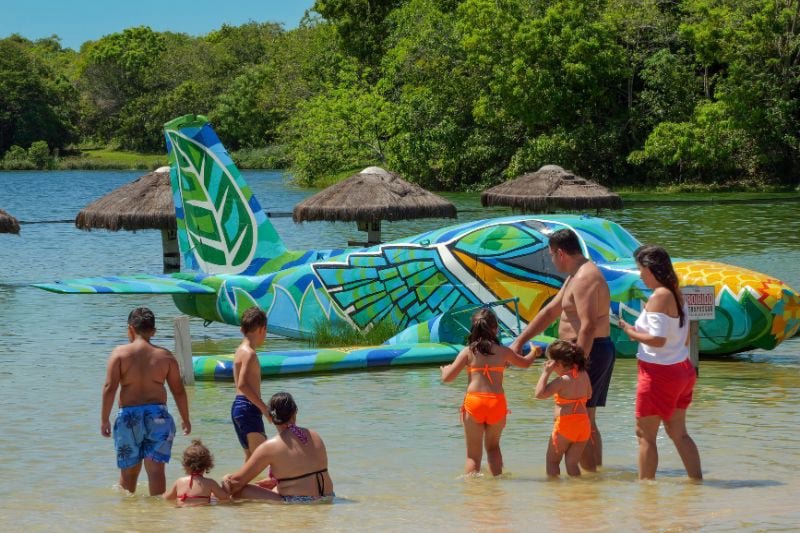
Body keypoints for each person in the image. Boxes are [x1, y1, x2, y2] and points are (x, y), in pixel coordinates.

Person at [510, 228, 614, 472]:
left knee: (582, 416)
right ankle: (593, 477)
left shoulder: (585, 277)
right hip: (578, 352)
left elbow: (588, 325)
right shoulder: (574, 276)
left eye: (551, 255)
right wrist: (519, 341)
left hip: (588, 351)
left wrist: (578, 365)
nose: (552, 261)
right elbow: (550, 312)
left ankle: (591, 479)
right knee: (584, 416)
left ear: (560, 253)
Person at [619, 245, 702, 480]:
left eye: (641, 270)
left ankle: (646, 492)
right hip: (682, 370)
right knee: (679, 433)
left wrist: (630, 331)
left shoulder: (660, 295)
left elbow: (657, 339)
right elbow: (683, 337)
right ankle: (696, 483)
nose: (640, 276)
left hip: (658, 373)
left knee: (645, 436)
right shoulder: (676, 292)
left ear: (650, 268)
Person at [100, 307, 191, 495]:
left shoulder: (119, 354)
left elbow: (110, 388)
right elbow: (179, 391)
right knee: (156, 471)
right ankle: (157, 510)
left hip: (128, 417)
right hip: (158, 417)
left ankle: (127, 510)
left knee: (128, 472)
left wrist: (104, 419)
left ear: (130, 329)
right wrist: (185, 419)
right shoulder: (165, 356)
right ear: (153, 331)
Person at [440, 308, 540, 476]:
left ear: (473, 329)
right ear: (495, 329)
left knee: (473, 455)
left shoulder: (468, 352)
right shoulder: (503, 351)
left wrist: (444, 370)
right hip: (496, 403)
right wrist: (534, 352)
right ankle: (497, 486)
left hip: (475, 403)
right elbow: (526, 363)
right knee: (493, 448)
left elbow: (448, 378)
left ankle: (472, 488)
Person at [222, 392, 335, 503]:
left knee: (239, 491)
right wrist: (275, 481)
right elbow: (305, 470)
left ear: (270, 417)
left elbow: (236, 483)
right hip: (328, 496)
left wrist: (226, 479)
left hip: (298, 501)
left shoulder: (270, 447)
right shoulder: (314, 435)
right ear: (295, 412)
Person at [534, 340, 592, 477]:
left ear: (558, 364)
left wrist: (545, 373)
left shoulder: (562, 380)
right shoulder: (584, 374)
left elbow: (539, 394)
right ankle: (579, 488)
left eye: (550, 363)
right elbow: (589, 394)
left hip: (565, 426)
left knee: (552, 461)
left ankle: (554, 489)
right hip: (583, 425)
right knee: (572, 463)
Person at [231, 307, 269, 461]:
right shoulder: (249, 353)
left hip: (238, 407)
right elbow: (242, 385)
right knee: (265, 457)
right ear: (262, 329)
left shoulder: (240, 350)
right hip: (248, 408)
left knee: (251, 460)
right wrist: (264, 409)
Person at [163, 440, 230, 505]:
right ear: (207, 464)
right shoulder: (210, 483)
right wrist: (225, 483)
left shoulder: (179, 481)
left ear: (185, 464)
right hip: (202, 510)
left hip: (182, 511)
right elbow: (225, 498)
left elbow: (167, 498)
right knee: (213, 498)